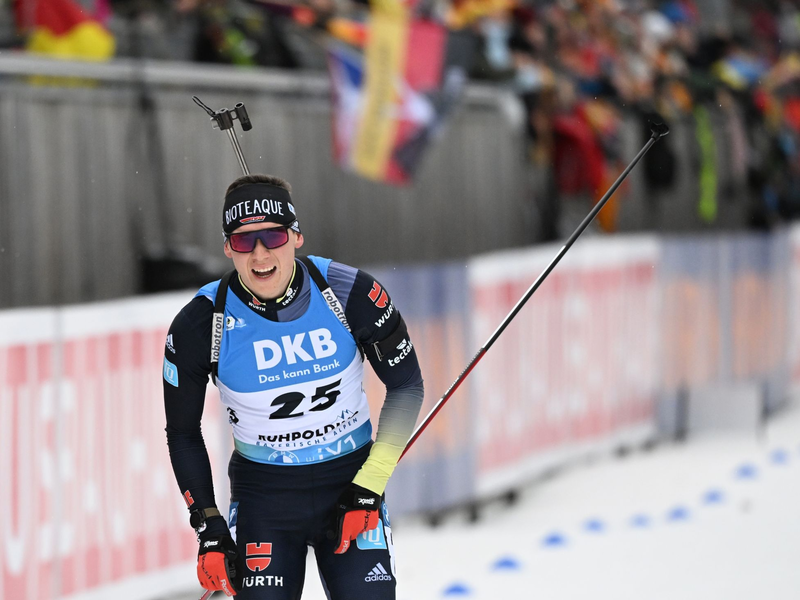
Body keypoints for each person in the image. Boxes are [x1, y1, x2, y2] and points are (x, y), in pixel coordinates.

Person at [163, 173, 425, 599]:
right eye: (245, 241)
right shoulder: (200, 323)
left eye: (274, 236)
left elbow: (407, 386)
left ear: (297, 237)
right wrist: (208, 527)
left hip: (350, 484)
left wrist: (370, 485)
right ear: (228, 247)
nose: (261, 254)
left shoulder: (350, 292)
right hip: (264, 499)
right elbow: (183, 433)